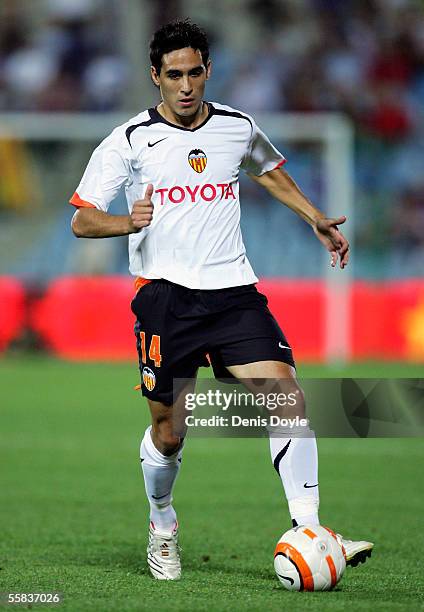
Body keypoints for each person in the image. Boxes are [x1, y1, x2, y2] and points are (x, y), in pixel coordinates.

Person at [70, 19, 373, 581]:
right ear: (155, 77)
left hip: (233, 293)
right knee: (169, 431)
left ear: (208, 70)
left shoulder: (236, 127)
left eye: (195, 73)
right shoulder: (130, 139)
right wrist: (123, 222)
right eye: (174, 76)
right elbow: (82, 219)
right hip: (164, 299)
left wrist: (314, 219)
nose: (186, 86)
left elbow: (269, 171)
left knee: (286, 395)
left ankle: (309, 527)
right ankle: (162, 522)